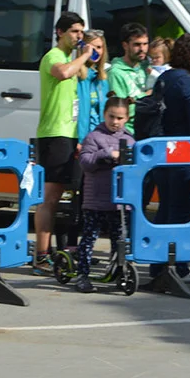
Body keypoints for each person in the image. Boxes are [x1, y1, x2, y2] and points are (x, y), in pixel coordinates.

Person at [147, 33, 190, 285]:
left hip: (161, 154)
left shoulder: (164, 79)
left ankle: (158, 266)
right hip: (185, 157)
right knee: (182, 213)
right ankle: (178, 267)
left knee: (165, 210)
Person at [32, 12, 91, 275]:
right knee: (50, 198)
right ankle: (41, 255)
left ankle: (57, 251)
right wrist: (84, 54)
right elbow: (64, 73)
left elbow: (86, 76)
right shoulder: (54, 56)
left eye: (81, 32)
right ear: (60, 32)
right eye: (74, 31)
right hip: (54, 133)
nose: (79, 36)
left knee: (63, 198)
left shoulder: (71, 58)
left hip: (70, 133)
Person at [75, 96, 135, 293]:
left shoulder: (130, 140)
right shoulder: (94, 137)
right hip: (96, 200)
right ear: (104, 115)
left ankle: (119, 273)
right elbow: (85, 162)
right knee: (89, 239)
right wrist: (106, 153)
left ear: (127, 118)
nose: (115, 122)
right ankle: (82, 275)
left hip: (120, 202)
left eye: (120, 118)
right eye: (111, 117)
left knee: (120, 240)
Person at [107, 23, 150, 134]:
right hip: (128, 133)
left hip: (149, 128)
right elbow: (120, 110)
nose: (142, 49)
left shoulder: (147, 68)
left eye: (145, 44)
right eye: (137, 44)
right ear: (125, 45)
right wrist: (147, 97)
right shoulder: (116, 73)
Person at [76, 30, 110, 142]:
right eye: (91, 47)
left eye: (99, 47)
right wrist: (78, 140)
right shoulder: (76, 77)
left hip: (100, 139)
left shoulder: (102, 79)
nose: (96, 51)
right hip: (81, 139)